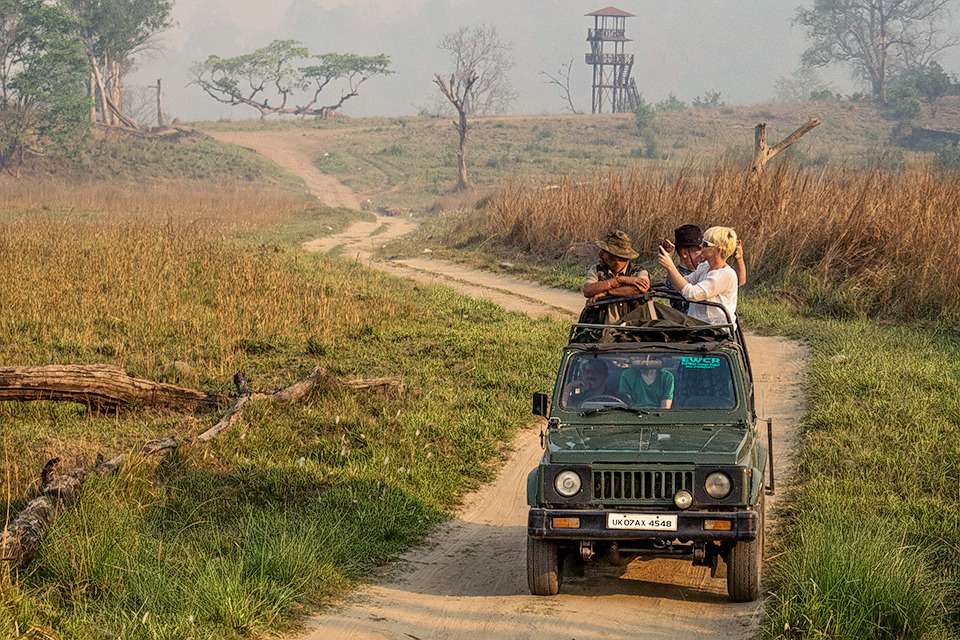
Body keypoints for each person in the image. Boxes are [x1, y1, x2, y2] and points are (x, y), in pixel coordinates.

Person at [658, 226, 739, 326]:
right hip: (697, 323)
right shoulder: (705, 267)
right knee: (655, 309)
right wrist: (668, 259)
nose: (701, 246)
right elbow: (684, 282)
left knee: (657, 312)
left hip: (714, 328)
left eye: (705, 244)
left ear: (718, 250)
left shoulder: (724, 275)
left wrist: (670, 266)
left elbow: (692, 294)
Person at [582, 230, 651, 324]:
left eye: (605, 251)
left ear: (616, 257)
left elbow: (640, 289)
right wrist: (616, 281)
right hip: (602, 328)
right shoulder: (597, 269)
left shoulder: (639, 271)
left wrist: (606, 292)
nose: (600, 254)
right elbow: (588, 290)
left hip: (633, 328)